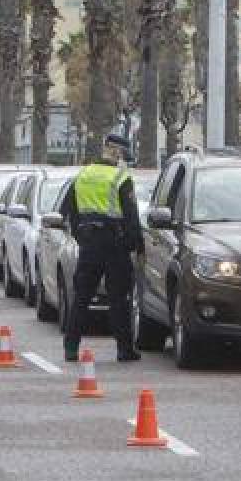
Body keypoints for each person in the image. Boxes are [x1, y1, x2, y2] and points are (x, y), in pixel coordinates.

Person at [59, 133, 144, 362]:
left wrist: (81, 237)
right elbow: (131, 216)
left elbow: (67, 210)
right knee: (118, 299)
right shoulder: (120, 177)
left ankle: (71, 347)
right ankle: (124, 349)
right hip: (115, 245)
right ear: (118, 153)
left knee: (82, 297)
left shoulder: (83, 175)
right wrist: (134, 245)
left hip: (89, 244)